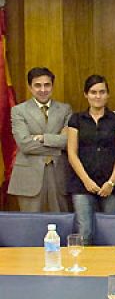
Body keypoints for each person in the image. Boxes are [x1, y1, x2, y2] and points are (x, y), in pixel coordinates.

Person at [66, 75, 115, 243]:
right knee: (84, 231)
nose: (98, 96)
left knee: (110, 232)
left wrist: (111, 183)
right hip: (82, 184)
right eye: (93, 92)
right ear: (86, 94)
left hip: (112, 185)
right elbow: (72, 153)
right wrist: (86, 181)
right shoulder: (76, 119)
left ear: (108, 94)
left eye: (102, 92)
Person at [8, 67, 72, 212]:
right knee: (31, 223)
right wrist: (57, 144)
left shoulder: (65, 110)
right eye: (38, 85)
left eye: (47, 85)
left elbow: (69, 141)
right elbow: (25, 145)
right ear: (30, 87)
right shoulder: (18, 111)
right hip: (29, 176)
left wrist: (43, 138)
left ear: (52, 86)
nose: (43, 89)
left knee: (60, 221)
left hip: (59, 175)